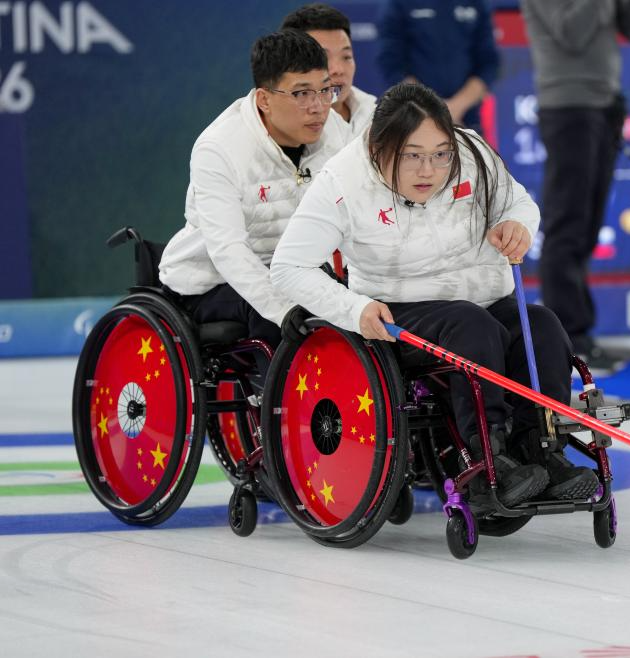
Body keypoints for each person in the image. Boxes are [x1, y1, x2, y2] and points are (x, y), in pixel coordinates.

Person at [271, 82, 600, 506]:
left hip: (485, 298)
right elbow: (288, 267)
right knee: (471, 327)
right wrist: (354, 309)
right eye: (412, 156)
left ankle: (541, 449)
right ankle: (486, 460)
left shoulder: (473, 154)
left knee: (543, 326)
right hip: (402, 310)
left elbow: (519, 203)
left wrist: (518, 224)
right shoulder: (343, 182)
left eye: (441, 154)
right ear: (378, 148)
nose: (429, 170)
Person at [158, 30, 345, 368]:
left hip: (295, 271)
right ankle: (280, 403)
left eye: (324, 89)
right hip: (212, 284)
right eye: (302, 93)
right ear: (264, 99)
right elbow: (229, 250)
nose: (318, 107)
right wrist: (283, 307)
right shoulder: (219, 149)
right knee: (285, 315)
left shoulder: (336, 131)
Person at [520, 0, 630, 374]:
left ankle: (578, 334)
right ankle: (568, 337)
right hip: (567, 106)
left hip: (606, 103)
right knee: (568, 223)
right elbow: (572, 33)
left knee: (589, 224)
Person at [376, 0, 499, 133]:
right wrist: (435, 112)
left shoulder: (477, 3)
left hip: (465, 120)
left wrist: (456, 108)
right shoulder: (397, 4)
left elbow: (489, 64)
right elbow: (392, 65)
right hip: (414, 120)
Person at [281, 3, 377, 139]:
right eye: (323, 58)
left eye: (346, 57)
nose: (338, 70)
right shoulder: (280, 130)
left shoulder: (375, 117)